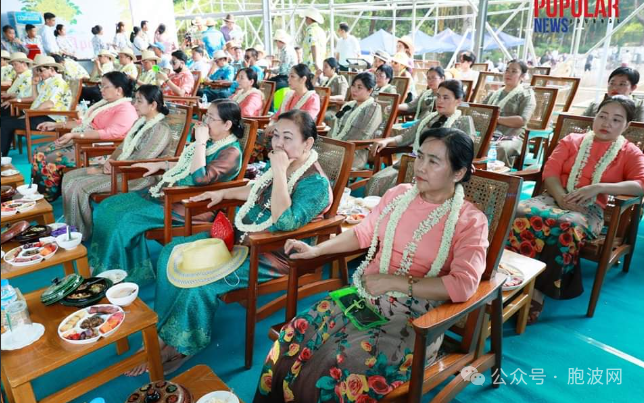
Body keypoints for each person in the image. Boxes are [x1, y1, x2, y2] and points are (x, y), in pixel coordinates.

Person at [254, 127, 488, 402]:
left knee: (340, 366)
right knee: (295, 334)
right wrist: (315, 250)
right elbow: (362, 233)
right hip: (364, 294)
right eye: (420, 156)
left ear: (458, 173)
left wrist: (392, 282)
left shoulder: (469, 220)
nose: (420, 167)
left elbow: (463, 285)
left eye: (433, 161)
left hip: (416, 316)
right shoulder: (399, 195)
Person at [136, 109, 332, 376]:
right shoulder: (282, 162)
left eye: (288, 137)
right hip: (239, 236)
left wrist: (279, 169)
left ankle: (182, 346)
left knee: (199, 283)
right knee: (171, 253)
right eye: (276, 136)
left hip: (270, 253)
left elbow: (284, 222)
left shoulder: (316, 183)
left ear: (308, 143)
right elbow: (256, 188)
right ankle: (164, 333)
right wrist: (224, 193)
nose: (278, 143)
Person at [507, 96, 644, 323]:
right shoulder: (573, 140)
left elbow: (640, 184)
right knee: (519, 211)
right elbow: (549, 172)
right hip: (552, 198)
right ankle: (511, 279)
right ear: (595, 116)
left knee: (567, 224)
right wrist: (561, 198)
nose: (607, 123)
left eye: (616, 120)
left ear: (627, 126)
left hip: (589, 210)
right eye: (602, 116)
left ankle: (538, 291)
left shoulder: (629, 152)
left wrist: (599, 187)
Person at [90, 99, 245, 284]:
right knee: (109, 205)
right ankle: (105, 265)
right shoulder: (213, 142)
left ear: (227, 124)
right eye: (206, 115)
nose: (204, 121)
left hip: (192, 205)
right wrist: (161, 164)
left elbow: (200, 178)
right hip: (171, 194)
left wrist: (201, 142)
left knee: (125, 217)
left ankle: (123, 274)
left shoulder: (231, 152)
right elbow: (185, 164)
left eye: (211, 118)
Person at [62, 85, 174, 239]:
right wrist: (111, 161)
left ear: (153, 105)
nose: (134, 105)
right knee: (69, 177)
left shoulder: (160, 129)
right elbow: (123, 146)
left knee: (78, 185)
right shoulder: (140, 122)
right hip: (121, 168)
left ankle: (80, 234)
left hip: (140, 177)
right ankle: (72, 228)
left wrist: (110, 168)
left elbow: (143, 160)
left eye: (139, 101)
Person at [31, 71, 137, 200]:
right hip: (87, 143)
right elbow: (84, 123)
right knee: (39, 151)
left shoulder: (125, 109)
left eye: (105, 86)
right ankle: (44, 192)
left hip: (103, 151)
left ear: (118, 90)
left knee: (48, 157)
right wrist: (57, 125)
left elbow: (111, 133)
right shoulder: (106, 105)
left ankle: (46, 197)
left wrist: (76, 135)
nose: (101, 90)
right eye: (101, 86)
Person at [366, 80, 475, 197]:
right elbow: (406, 137)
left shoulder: (464, 122)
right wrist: (387, 140)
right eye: (438, 96)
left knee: (397, 188)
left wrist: (467, 162)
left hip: (434, 170)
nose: (440, 101)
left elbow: (466, 152)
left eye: (445, 97)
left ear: (458, 101)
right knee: (376, 180)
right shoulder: (428, 118)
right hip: (412, 162)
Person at [1, 55, 72, 156]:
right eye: (37, 70)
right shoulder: (48, 82)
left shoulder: (58, 83)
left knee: (6, 124)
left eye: (41, 70)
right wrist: (34, 85)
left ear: (51, 69)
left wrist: (29, 114)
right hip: (40, 115)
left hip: (50, 118)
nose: (38, 73)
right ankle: (2, 153)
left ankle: (2, 155)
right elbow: (35, 99)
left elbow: (49, 104)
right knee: (4, 121)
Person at [252, 64, 320, 161]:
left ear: (303, 79)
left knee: (260, 138)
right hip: (280, 133)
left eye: (292, 76)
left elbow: (305, 124)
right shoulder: (289, 95)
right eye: (289, 76)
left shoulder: (312, 98)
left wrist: (276, 127)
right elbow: (276, 116)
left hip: (296, 137)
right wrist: (270, 125)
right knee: (256, 134)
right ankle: (259, 167)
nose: (288, 80)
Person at [481, 59, 536, 168]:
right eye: (507, 70)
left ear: (522, 76)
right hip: (490, 134)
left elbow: (522, 120)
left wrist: (495, 119)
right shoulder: (494, 94)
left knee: (499, 148)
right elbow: (481, 111)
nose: (508, 73)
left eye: (514, 71)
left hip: (513, 137)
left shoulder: (526, 95)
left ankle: (496, 181)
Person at [331, 72, 383, 170]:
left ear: (369, 90)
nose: (354, 90)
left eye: (359, 87)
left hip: (354, 153)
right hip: (337, 147)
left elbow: (363, 134)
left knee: (317, 159)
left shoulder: (373, 108)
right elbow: (335, 126)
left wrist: (340, 146)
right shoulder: (348, 106)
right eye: (353, 86)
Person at [0, 52, 33, 118]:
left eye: (15, 64)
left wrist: (9, 97)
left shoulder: (29, 76)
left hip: (17, 106)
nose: (14, 67)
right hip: (11, 103)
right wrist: (7, 94)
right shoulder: (21, 76)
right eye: (13, 65)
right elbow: (15, 92)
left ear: (23, 64)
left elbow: (21, 95)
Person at [302, 7, 327, 72]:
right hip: (320, 64)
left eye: (306, 18)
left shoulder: (311, 30)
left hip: (311, 67)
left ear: (309, 18)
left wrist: (315, 63)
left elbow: (314, 45)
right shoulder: (321, 31)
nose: (305, 20)